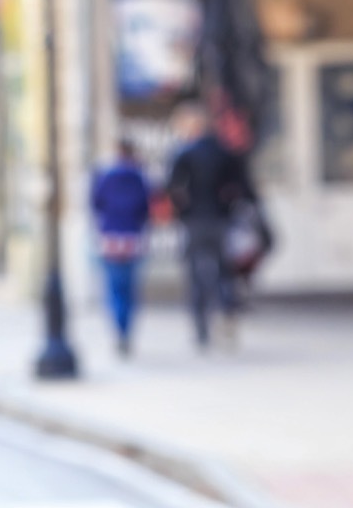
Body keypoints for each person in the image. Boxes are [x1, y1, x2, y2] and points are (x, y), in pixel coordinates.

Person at [165, 101, 259, 351]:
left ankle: (201, 330)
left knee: (195, 275)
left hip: (195, 221)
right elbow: (244, 188)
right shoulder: (225, 152)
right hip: (220, 219)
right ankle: (227, 314)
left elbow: (172, 188)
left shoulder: (184, 153)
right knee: (223, 272)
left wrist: (182, 211)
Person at [90, 138, 152, 358]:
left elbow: (95, 203)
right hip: (133, 237)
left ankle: (119, 329)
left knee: (114, 288)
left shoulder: (105, 175)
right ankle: (126, 330)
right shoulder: (139, 176)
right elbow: (146, 206)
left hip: (110, 238)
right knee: (129, 288)